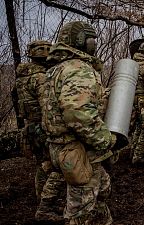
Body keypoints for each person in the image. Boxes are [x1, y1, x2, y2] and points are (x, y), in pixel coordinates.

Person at [41, 21, 116, 225]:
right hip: (78, 149)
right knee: (80, 210)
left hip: (60, 146)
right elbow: (77, 114)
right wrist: (106, 140)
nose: (94, 43)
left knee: (102, 189)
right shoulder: (79, 68)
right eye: (92, 38)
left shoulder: (56, 69)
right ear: (82, 41)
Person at [14, 40, 65, 221]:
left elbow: (17, 105)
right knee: (54, 166)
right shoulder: (41, 78)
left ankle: (41, 199)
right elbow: (47, 107)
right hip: (42, 126)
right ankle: (46, 206)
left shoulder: (21, 78)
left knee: (42, 164)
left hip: (30, 127)